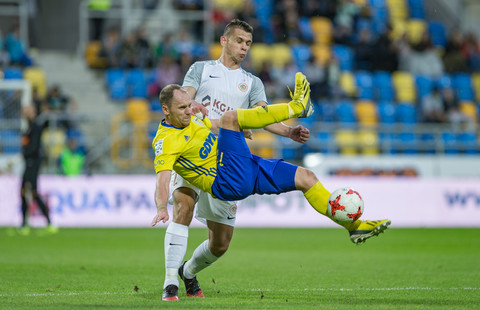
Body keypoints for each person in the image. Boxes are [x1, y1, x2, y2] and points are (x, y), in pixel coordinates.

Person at [152, 75, 391, 300]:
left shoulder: (192, 117)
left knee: (305, 178)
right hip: (225, 180)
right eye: (182, 108)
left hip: (246, 167)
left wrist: (234, 132)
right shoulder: (165, 141)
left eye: (188, 105)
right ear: (166, 110)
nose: (188, 110)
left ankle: (353, 226)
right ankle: (298, 107)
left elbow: (213, 124)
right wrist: (162, 207)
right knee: (230, 118)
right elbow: (163, 179)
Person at [159, 19, 311, 301]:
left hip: (228, 163)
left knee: (220, 244)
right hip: (195, 150)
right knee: (183, 206)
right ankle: (170, 284)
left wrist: (288, 130)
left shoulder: (252, 82)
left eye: (248, 43)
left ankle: (188, 272)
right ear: (224, 41)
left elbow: (262, 116)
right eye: (239, 41)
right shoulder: (201, 69)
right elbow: (185, 99)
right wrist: (195, 108)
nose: (244, 47)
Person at [19, 105, 58, 235]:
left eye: (27, 111)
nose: (24, 113)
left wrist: (25, 154)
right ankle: (24, 223)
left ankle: (48, 222)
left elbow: (34, 147)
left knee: (33, 192)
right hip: (28, 163)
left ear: (33, 113)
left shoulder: (35, 127)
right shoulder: (28, 127)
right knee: (24, 192)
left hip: (33, 163)